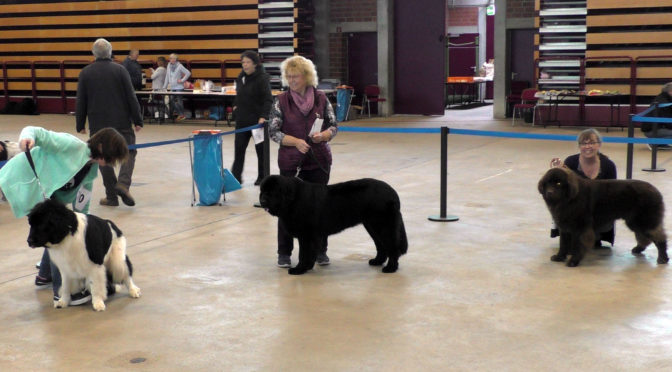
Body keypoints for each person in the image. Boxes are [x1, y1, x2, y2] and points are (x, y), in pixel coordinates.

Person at [0, 126, 129, 306]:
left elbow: (81, 209)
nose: (111, 162)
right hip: (18, 181)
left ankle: (45, 275)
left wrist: (85, 229)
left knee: (62, 229)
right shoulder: (70, 145)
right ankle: (62, 291)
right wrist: (27, 138)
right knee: (58, 235)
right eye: (112, 156)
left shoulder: (90, 172)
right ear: (101, 146)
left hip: (44, 199)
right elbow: (35, 131)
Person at [268, 55, 338, 268]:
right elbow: (273, 131)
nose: (292, 81)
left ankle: (320, 251)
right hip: (291, 164)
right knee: (287, 210)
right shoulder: (281, 101)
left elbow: (334, 125)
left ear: (306, 76)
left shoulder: (321, 98)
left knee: (319, 209)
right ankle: (284, 253)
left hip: (318, 163)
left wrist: (324, 135)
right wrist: (296, 142)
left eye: (295, 76)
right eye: (288, 77)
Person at [76, 38, 143, 207]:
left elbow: (81, 100)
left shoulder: (85, 73)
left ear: (94, 53)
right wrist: (138, 120)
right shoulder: (120, 70)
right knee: (130, 151)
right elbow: (131, 96)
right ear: (110, 52)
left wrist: (80, 123)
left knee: (102, 157)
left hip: (98, 124)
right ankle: (123, 184)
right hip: (121, 122)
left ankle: (111, 196)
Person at [549, 128, 617, 246]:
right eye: (584, 143)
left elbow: (612, 194)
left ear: (599, 145)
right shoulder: (570, 162)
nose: (587, 147)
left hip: (598, 210)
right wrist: (558, 171)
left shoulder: (609, 165)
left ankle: (592, 235)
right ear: (579, 146)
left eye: (591, 143)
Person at [231, 50, 273, 185]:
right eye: (243, 62)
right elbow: (238, 95)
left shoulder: (262, 78)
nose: (245, 65)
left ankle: (262, 177)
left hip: (257, 122)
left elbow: (268, 99)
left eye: (248, 62)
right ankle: (236, 177)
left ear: (255, 63)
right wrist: (235, 106)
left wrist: (263, 116)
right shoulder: (240, 77)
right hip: (242, 121)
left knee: (261, 152)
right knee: (238, 151)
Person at [641, 82, 672, 150]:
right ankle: (653, 142)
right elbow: (667, 121)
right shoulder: (664, 103)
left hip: (656, 127)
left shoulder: (664, 99)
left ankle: (660, 143)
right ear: (670, 92)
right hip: (653, 130)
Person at [163, 53, 191, 121]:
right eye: (170, 58)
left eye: (173, 58)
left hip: (179, 87)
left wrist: (182, 80)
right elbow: (167, 76)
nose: (171, 60)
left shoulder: (180, 66)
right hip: (172, 87)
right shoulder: (169, 65)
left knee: (179, 102)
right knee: (171, 101)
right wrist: (164, 86)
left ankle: (181, 115)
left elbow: (188, 73)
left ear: (176, 59)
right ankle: (180, 114)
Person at [149, 56, 168, 121]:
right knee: (161, 104)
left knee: (156, 103)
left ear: (160, 62)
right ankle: (162, 116)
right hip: (162, 89)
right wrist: (154, 71)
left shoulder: (159, 69)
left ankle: (157, 117)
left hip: (157, 89)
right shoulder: (165, 69)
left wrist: (152, 71)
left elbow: (152, 77)